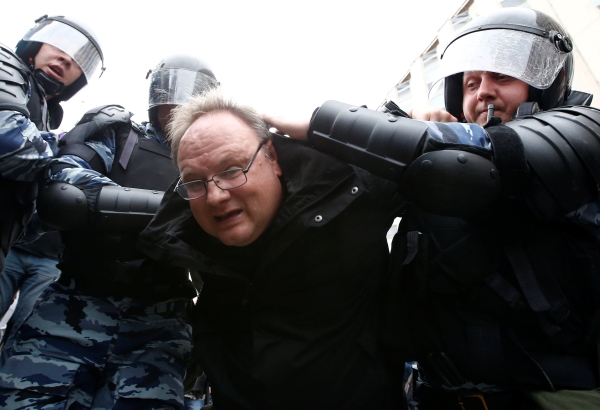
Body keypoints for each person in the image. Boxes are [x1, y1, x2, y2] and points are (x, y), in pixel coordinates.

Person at [265, 7, 600, 409]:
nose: (483, 92)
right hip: (435, 395)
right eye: (471, 82)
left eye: (503, 77)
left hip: (552, 396)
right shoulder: (431, 159)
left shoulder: (583, 130)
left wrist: (322, 123)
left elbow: (497, 159)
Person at [135, 88, 405, 409]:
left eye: (232, 170)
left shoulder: (348, 189)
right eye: (195, 181)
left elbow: (455, 155)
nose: (216, 196)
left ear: (273, 157)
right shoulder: (182, 237)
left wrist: (320, 125)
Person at [0, 54, 219, 409]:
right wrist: (175, 213)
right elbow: (65, 181)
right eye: (170, 92)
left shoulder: (209, 161)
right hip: (77, 301)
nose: (177, 105)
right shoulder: (120, 135)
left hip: (158, 321)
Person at [0, 14, 104, 272]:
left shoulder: (42, 116)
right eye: (60, 44)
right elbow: (10, 143)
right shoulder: (5, 64)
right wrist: (61, 154)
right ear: (35, 44)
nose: (67, 59)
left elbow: (26, 222)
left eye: (81, 60)